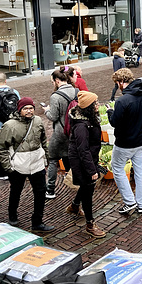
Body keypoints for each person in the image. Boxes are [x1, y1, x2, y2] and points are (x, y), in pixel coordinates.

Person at [0, 97, 54, 232]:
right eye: (25, 108)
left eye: (31, 108)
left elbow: (43, 140)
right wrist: (8, 167)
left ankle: (37, 222)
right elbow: (2, 148)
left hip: (36, 163)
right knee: (16, 191)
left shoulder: (38, 121)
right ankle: (12, 215)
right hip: (19, 165)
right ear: (20, 110)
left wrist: (46, 158)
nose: (29, 111)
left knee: (40, 193)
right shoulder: (10, 125)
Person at [107, 68, 142, 215]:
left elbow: (114, 122)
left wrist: (110, 112)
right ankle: (141, 204)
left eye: (117, 83)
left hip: (125, 142)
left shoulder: (122, 101)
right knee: (139, 171)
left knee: (117, 168)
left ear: (121, 82)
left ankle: (129, 201)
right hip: (140, 140)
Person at [66, 91, 107, 238]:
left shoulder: (90, 118)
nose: (98, 105)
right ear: (88, 107)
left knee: (86, 186)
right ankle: (90, 224)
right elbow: (82, 150)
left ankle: (75, 206)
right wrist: (91, 170)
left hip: (88, 157)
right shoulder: (81, 126)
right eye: (95, 103)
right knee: (88, 189)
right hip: (81, 160)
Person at [43, 70, 78, 199]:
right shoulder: (76, 91)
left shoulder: (55, 96)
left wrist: (46, 110)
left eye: (53, 81)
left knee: (53, 160)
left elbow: (53, 116)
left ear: (57, 81)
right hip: (73, 131)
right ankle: (73, 183)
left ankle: (50, 190)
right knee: (69, 158)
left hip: (60, 133)